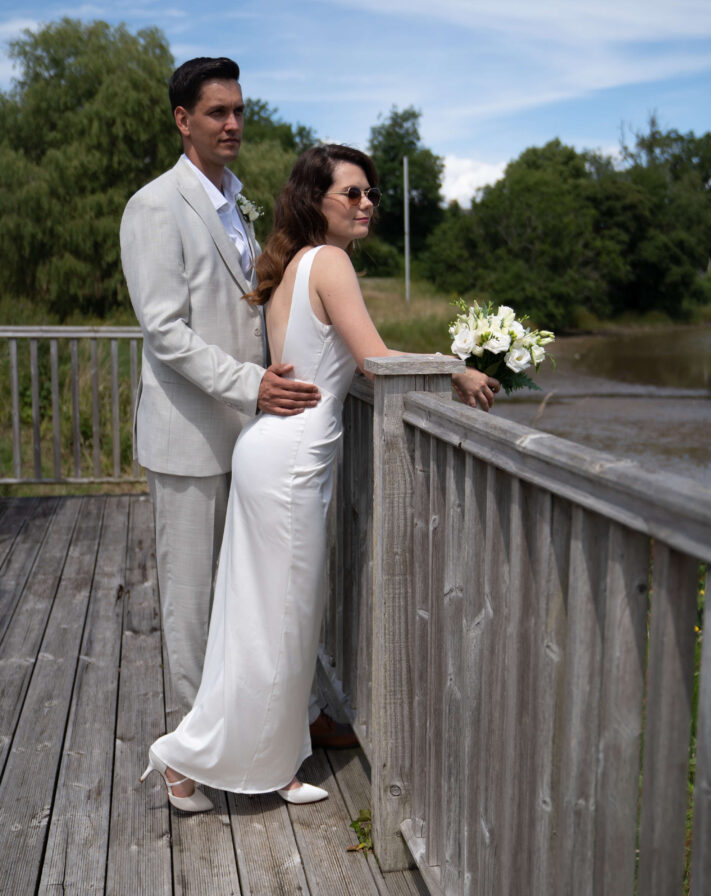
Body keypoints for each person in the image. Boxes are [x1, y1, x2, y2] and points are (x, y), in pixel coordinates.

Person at [140, 144, 499, 811]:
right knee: (281, 619)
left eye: (370, 195)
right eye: (352, 194)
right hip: (293, 461)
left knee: (258, 617)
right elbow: (375, 361)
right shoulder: (329, 263)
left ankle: (215, 763)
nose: (366, 205)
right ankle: (207, 758)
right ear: (316, 201)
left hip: (269, 451)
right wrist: (457, 367)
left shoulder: (294, 264)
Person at [120, 57, 321, 722]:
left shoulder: (239, 201)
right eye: (216, 112)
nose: (233, 123)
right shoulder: (153, 206)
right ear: (183, 121)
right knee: (190, 599)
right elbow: (166, 331)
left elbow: (248, 304)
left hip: (248, 433)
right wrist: (251, 386)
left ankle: (242, 726)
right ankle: (186, 750)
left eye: (238, 110)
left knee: (244, 590)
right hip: (190, 435)